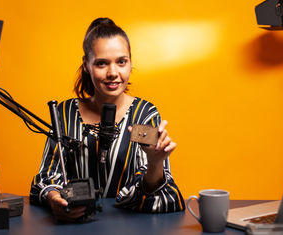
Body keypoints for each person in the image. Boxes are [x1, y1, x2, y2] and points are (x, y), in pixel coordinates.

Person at [30, 18, 185, 221]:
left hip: (129, 226)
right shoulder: (65, 113)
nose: (113, 73)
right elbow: (48, 175)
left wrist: (155, 164)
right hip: (75, 225)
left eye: (121, 61)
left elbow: (159, 194)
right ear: (86, 64)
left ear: (131, 62)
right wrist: (55, 200)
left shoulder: (143, 115)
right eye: (102, 63)